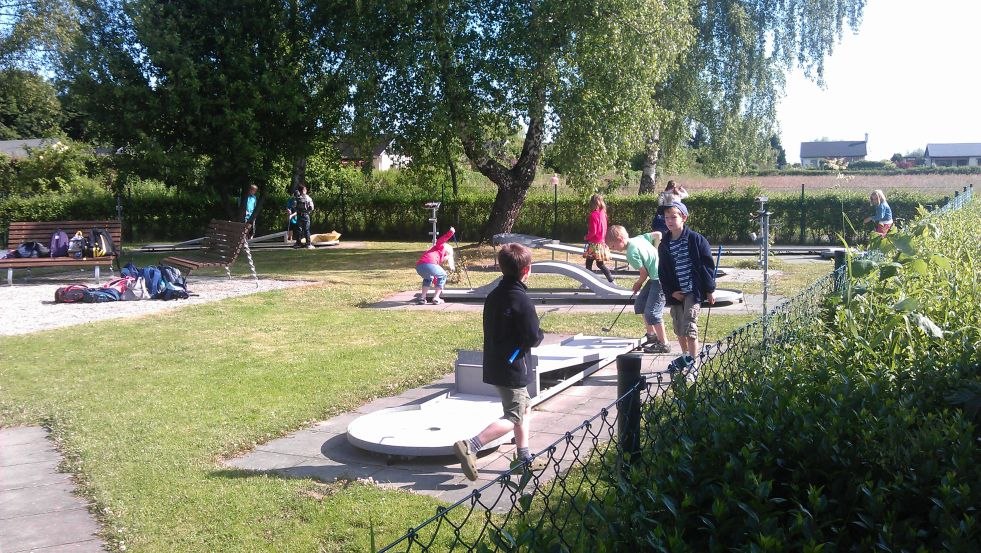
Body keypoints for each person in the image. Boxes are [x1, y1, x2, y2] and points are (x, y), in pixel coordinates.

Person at [454, 243, 546, 481]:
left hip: (496, 361)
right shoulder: (522, 300)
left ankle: (524, 457)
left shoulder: (495, 295)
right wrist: (539, 335)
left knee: (524, 407)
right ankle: (471, 445)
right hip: (512, 365)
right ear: (527, 270)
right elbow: (533, 337)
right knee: (514, 415)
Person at [657, 202, 716, 361]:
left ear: (684, 217)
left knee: (689, 326)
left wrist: (709, 289)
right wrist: (671, 292)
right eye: (666, 217)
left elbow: (707, 266)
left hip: (693, 291)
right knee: (678, 327)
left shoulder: (696, 239)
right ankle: (685, 358)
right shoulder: (664, 245)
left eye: (673, 217)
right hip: (677, 292)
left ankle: (693, 363)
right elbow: (663, 272)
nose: (669, 220)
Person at [605, 225, 671, 353]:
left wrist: (638, 284)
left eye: (613, 246)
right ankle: (651, 336)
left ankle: (664, 344)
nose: (613, 249)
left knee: (652, 312)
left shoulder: (631, 253)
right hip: (655, 277)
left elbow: (643, 274)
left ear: (620, 239)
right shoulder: (639, 238)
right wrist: (655, 251)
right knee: (640, 304)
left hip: (660, 279)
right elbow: (657, 234)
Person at [415, 227, 456, 304]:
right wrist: (451, 233)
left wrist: (439, 286)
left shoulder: (434, 253)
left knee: (428, 278)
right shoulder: (440, 247)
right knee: (443, 275)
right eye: (446, 255)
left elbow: (435, 276)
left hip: (419, 266)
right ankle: (436, 298)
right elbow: (441, 241)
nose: (445, 258)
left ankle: (422, 298)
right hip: (429, 264)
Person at [583, 194, 614, 283]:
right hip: (601, 243)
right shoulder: (603, 214)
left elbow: (593, 231)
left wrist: (586, 237)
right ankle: (611, 281)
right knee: (600, 264)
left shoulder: (593, 215)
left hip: (594, 244)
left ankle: (587, 282)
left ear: (592, 203)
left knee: (588, 265)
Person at [290, 185, 315, 249]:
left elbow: (293, 207)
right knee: (306, 230)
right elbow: (311, 207)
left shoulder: (297, 198)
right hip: (306, 215)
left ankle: (298, 243)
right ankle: (308, 244)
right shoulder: (308, 198)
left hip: (299, 215)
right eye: (305, 189)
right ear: (304, 190)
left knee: (299, 230)